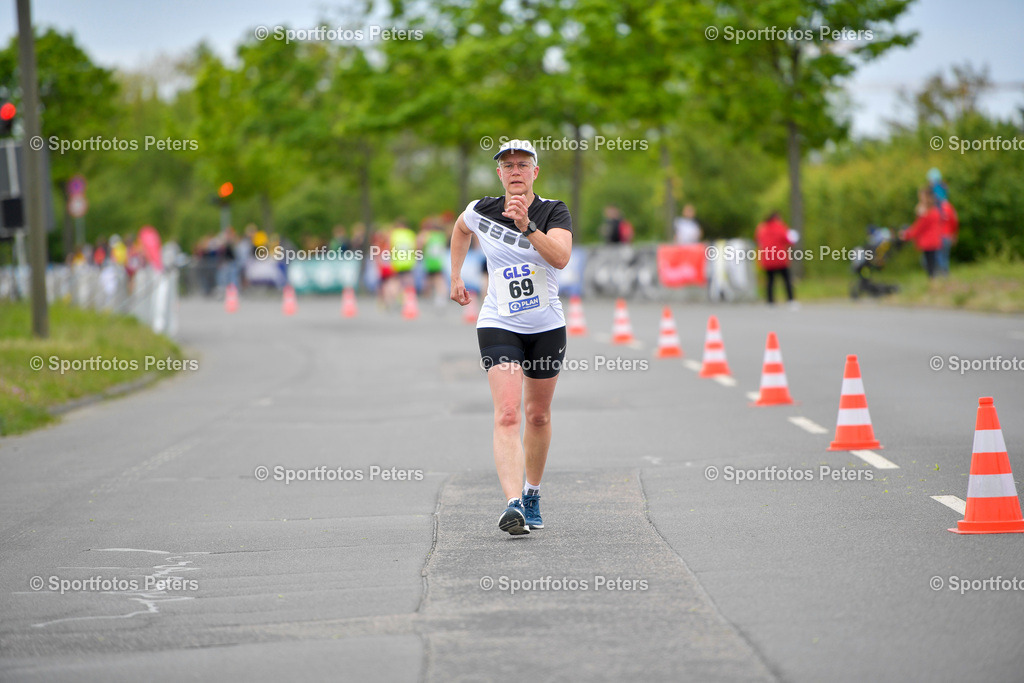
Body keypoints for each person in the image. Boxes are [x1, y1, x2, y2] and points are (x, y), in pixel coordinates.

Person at [449, 138, 573, 536]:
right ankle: (513, 503)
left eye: (523, 164)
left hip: (546, 324)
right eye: (508, 165)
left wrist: (527, 226)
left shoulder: (553, 211)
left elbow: (560, 258)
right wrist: (455, 275)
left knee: (537, 414)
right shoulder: (481, 210)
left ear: (535, 172)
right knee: (507, 413)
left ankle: (532, 491)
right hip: (499, 319)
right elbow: (460, 228)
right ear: (499, 173)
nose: (515, 170)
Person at [754, 211, 796, 306]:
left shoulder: (762, 228)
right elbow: (788, 240)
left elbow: (758, 240)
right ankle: (790, 300)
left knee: (770, 281)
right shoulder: (780, 227)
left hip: (768, 258)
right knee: (787, 280)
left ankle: (770, 301)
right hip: (780, 258)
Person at [901, 188, 944, 278]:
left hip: (929, 241)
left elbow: (919, 227)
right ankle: (936, 280)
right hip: (933, 240)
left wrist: (907, 235)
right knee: (931, 262)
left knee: (929, 264)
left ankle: (934, 281)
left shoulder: (927, 213)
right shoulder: (934, 210)